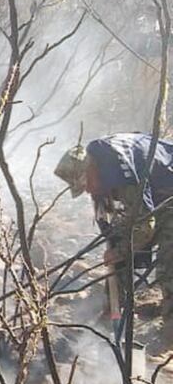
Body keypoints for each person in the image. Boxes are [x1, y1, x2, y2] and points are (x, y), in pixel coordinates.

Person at [54, 132, 173, 309]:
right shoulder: (101, 164)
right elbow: (114, 231)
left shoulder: (122, 173)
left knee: (168, 262)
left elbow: (145, 226)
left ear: (90, 169)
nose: (87, 191)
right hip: (159, 197)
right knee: (121, 239)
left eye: (86, 184)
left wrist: (119, 252)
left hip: (168, 195)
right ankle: (116, 307)